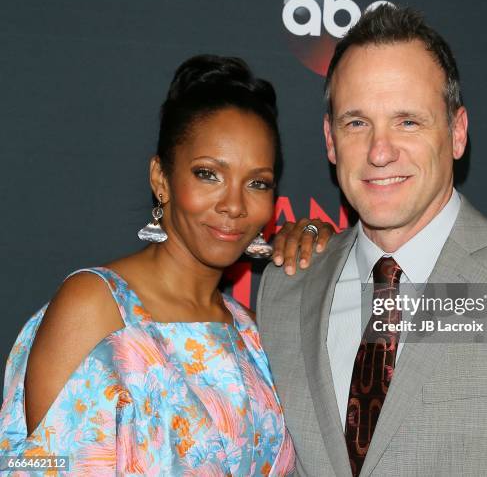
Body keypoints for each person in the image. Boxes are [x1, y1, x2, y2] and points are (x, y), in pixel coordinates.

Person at [257, 5, 487, 476]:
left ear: (457, 132)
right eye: (357, 122)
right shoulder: (284, 289)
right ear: (330, 139)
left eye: (408, 121)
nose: (380, 152)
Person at [0, 54, 333, 475]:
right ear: (161, 180)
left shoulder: (250, 332)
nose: (233, 204)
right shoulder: (96, 307)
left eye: (257, 183)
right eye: (208, 174)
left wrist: (332, 257)